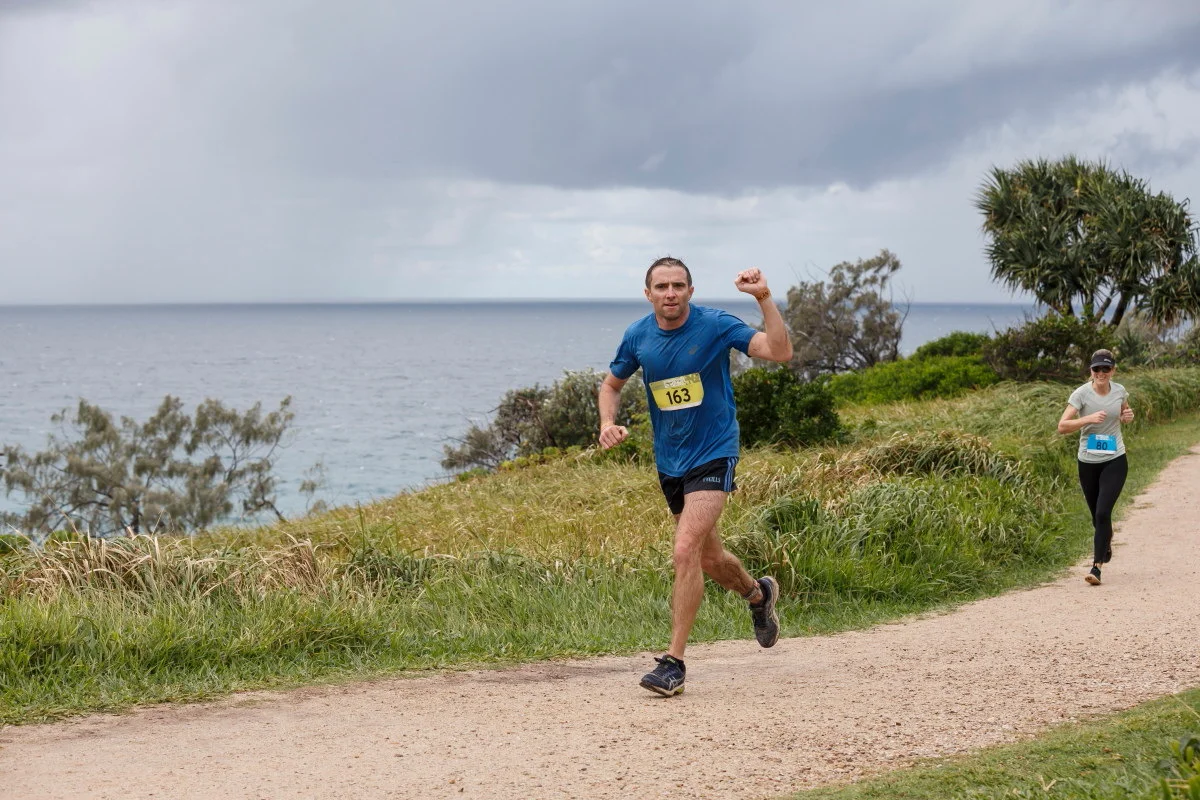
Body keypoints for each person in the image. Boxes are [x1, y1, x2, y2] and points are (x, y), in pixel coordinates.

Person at [598, 256, 794, 696]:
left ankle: (674, 664)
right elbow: (611, 385)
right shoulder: (638, 335)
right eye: (661, 286)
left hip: (714, 453)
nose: (670, 293)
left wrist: (763, 297)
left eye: (678, 286)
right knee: (710, 559)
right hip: (671, 461)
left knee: (685, 549)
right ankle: (759, 595)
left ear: (691, 290)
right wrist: (607, 423)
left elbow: (779, 351)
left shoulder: (715, 325)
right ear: (648, 294)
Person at [1056, 349, 1135, 586]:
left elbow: (1125, 412)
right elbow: (1062, 426)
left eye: (1106, 368)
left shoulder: (1119, 391)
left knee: (1102, 513)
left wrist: (1127, 417)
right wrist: (1087, 419)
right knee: (1097, 517)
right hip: (1088, 462)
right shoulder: (1081, 394)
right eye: (1097, 369)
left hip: (1115, 459)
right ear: (1090, 371)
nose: (1101, 373)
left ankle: (1096, 567)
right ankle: (1106, 541)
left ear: (1113, 370)